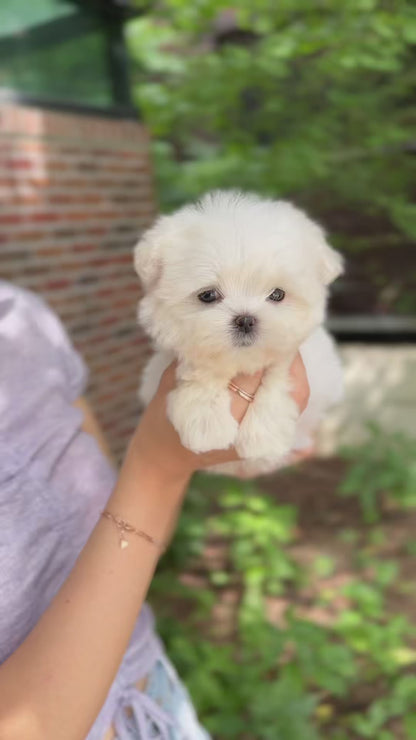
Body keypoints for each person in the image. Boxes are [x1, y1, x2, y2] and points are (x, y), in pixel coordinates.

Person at [0, 280, 310, 740]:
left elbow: (129, 542)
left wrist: (200, 449)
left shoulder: (20, 320)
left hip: (159, 707)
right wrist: (157, 467)